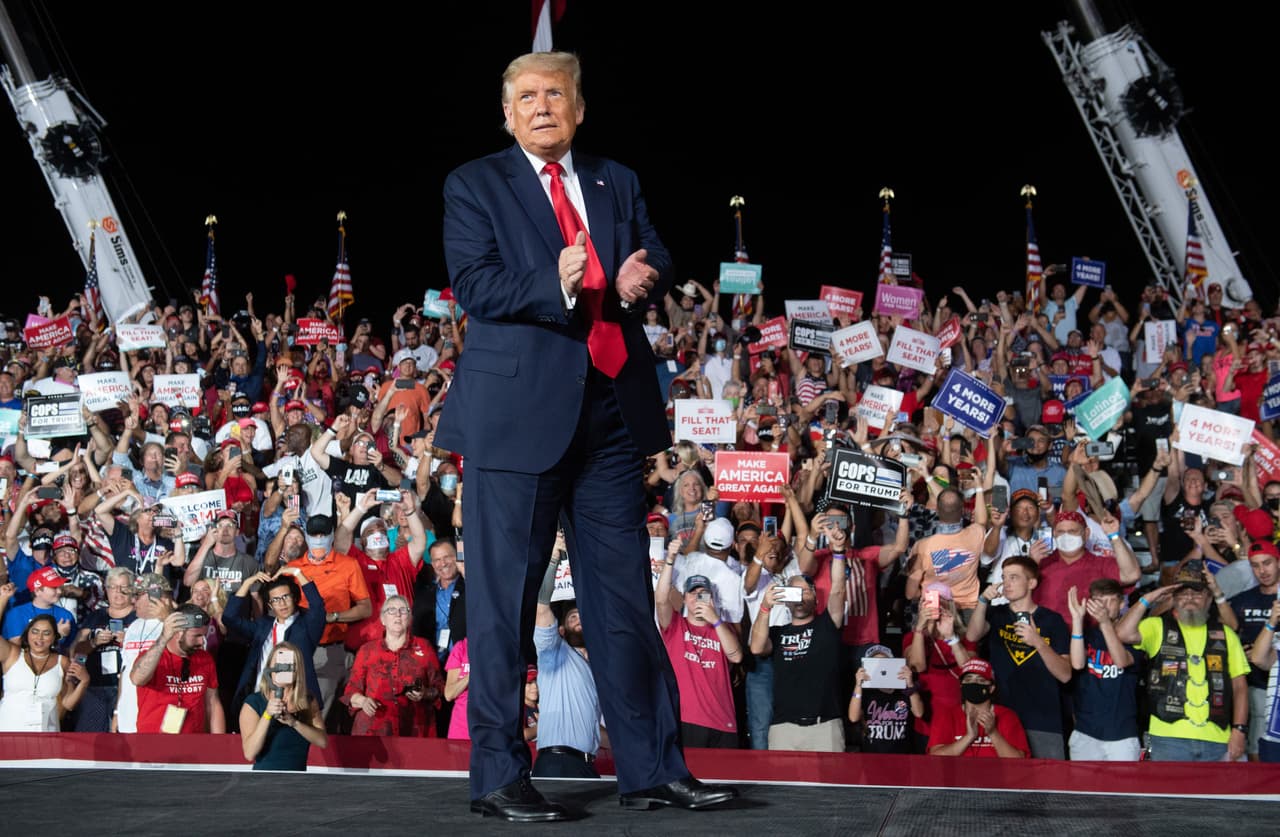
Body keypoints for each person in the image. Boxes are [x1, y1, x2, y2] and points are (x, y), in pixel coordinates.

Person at [438, 51, 733, 820]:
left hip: (608, 418)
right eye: (527, 97)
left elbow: (654, 254)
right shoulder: (474, 184)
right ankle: (499, 776)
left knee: (625, 603)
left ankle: (653, 768)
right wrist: (560, 281)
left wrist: (644, 278)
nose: (542, 107)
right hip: (515, 426)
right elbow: (474, 283)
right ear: (507, 114)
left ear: (579, 106)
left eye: (555, 94)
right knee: (504, 605)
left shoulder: (615, 178)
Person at [1115, 560, 1251, 761]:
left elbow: (1240, 687)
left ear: (1208, 598)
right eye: (1183, 593)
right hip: (1167, 737)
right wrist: (1148, 599)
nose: (1190, 599)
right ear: (1174, 598)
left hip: (1217, 737)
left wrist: (1239, 730)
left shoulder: (1225, 634)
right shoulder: (1156, 627)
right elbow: (1123, 633)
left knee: (1216, 793)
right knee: (1169, 793)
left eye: (1197, 593)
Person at [966, 555, 1072, 758]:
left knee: (1046, 784)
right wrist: (983, 601)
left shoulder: (1052, 621)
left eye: (1014, 577)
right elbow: (972, 635)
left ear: (1032, 583)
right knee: (1005, 784)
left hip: (1043, 718)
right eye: (1004, 577)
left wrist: (1038, 642)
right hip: (1003, 717)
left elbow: (1065, 674)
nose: (1007, 583)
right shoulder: (996, 614)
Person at [749, 558, 848, 752]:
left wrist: (837, 553)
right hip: (784, 728)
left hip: (824, 727)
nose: (800, 599)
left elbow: (838, 588)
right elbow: (756, 648)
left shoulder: (827, 625)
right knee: (783, 784)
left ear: (816, 598)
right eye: (794, 593)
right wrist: (765, 607)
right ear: (786, 601)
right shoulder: (778, 632)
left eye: (805, 592)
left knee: (830, 781)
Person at [530, 555, 605, 779]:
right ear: (561, 629)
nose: (580, 619)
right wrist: (552, 561)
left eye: (584, 615)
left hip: (587, 764)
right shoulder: (554, 653)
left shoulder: (600, 669)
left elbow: (588, 728)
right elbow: (542, 608)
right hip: (557, 762)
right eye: (573, 616)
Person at [223, 567, 326, 716]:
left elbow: (317, 608)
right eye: (276, 600)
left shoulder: (306, 626)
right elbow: (229, 618)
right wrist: (247, 584)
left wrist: (297, 573)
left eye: (286, 597)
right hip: (259, 696)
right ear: (270, 605)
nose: (282, 603)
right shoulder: (263, 625)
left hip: (293, 702)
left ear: (295, 598)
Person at [343, 595, 443, 736]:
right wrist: (363, 701)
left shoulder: (424, 647)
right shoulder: (367, 650)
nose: (398, 614)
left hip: (414, 729)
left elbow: (439, 687)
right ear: (383, 619)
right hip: (375, 731)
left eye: (403, 610)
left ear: (409, 618)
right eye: (391, 610)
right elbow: (351, 690)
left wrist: (424, 693)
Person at [1065, 580, 1141, 760]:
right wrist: (1077, 620)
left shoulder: (1133, 635)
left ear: (1122, 603)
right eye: (1099, 601)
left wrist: (1106, 623)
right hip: (1086, 731)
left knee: (1122, 788)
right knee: (1082, 788)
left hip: (1122, 733)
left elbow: (1121, 661)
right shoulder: (1087, 634)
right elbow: (1077, 664)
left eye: (1110, 601)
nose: (1104, 607)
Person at [131, 604, 226, 734]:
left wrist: (219, 743)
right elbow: (137, 679)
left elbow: (212, 703)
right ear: (178, 632)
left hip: (193, 742)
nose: (202, 642)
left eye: (203, 635)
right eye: (196, 636)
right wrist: (163, 638)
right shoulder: (153, 656)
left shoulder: (205, 659)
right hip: (154, 742)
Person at [0, 598, 88, 731]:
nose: (39, 638)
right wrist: (3, 599)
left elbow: (68, 704)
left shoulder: (62, 661)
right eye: (35, 632)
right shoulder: (13, 654)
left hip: (46, 733)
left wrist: (85, 681)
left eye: (46, 633)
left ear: (54, 638)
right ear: (27, 634)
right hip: (10, 730)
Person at [238, 641, 328, 770]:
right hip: (264, 779)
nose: (282, 668)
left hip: (298, 780)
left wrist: (294, 723)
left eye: (287, 664)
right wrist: (267, 715)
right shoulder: (253, 703)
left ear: (296, 669)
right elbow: (249, 753)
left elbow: (322, 741)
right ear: (269, 666)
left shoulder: (307, 701)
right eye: (278, 663)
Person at [70, 567, 137, 731]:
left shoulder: (139, 617)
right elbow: (76, 651)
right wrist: (93, 643)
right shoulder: (96, 616)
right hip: (95, 687)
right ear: (106, 590)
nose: (118, 592)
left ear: (132, 590)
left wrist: (128, 642)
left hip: (128, 689)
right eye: (113, 587)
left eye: (124, 587)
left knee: (122, 737)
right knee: (91, 739)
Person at [927, 658, 1029, 757]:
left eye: (980, 680)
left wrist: (993, 732)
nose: (974, 684)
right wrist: (969, 737)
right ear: (961, 685)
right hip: (958, 773)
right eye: (968, 679)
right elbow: (935, 756)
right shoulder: (947, 715)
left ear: (991, 688)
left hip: (996, 773)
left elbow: (1018, 760)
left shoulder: (1007, 716)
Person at [849, 644, 923, 754]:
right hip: (872, 756)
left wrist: (910, 684)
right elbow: (853, 717)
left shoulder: (905, 690)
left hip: (901, 756)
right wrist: (858, 685)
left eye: (884, 662)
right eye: (875, 664)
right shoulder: (867, 693)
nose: (881, 668)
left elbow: (919, 713)